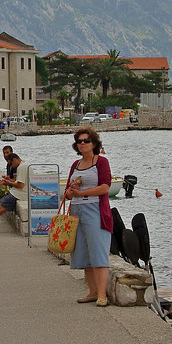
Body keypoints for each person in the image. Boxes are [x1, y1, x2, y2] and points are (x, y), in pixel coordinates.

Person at [64, 127, 113, 307]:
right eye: (80, 141)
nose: (83, 144)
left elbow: (105, 187)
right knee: (84, 253)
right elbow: (68, 193)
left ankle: (102, 294)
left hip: (95, 209)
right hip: (76, 210)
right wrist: (71, 192)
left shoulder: (101, 162)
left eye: (86, 141)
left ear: (94, 143)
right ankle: (92, 292)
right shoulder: (75, 166)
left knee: (98, 251)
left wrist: (82, 192)